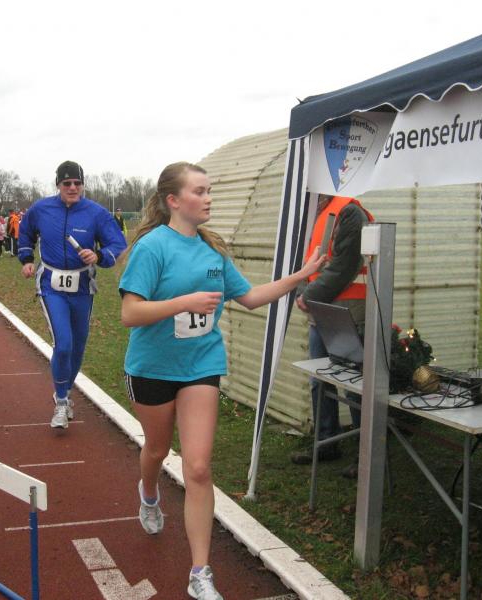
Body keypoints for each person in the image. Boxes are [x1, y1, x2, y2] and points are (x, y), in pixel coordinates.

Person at [118, 162, 323, 600]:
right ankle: (149, 492)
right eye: (200, 191)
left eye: (209, 190)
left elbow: (250, 297)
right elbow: (130, 313)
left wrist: (301, 276)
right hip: (152, 368)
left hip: (201, 366)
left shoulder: (213, 252)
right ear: (174, 201)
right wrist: (183, 302)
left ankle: (200, 573)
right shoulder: (153, 248)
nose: (208, 198)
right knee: (156, 450)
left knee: (198, 467)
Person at [19, 160, 127, 429]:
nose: (72, 188)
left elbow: (118, 244)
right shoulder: (41, 209)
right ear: (58, 184)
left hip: (82, 286)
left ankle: (65, 393)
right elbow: (25, 232)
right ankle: (61, 401)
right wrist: (26, 258)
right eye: (67, 183)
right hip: (51, 285)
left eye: (77, 183)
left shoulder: (96, 213)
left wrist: (99, 255)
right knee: (64, 343)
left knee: (78, 345)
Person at [291, 194, 374, 479]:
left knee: (353, 385)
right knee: (320, 380)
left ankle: (365, 455)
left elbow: (345, 265)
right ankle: (326, 441)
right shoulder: (319, 212)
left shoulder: (349, 213)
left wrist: (308, 295)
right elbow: (310, 261)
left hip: (347, 312)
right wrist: (304, 292)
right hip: (324, 310)